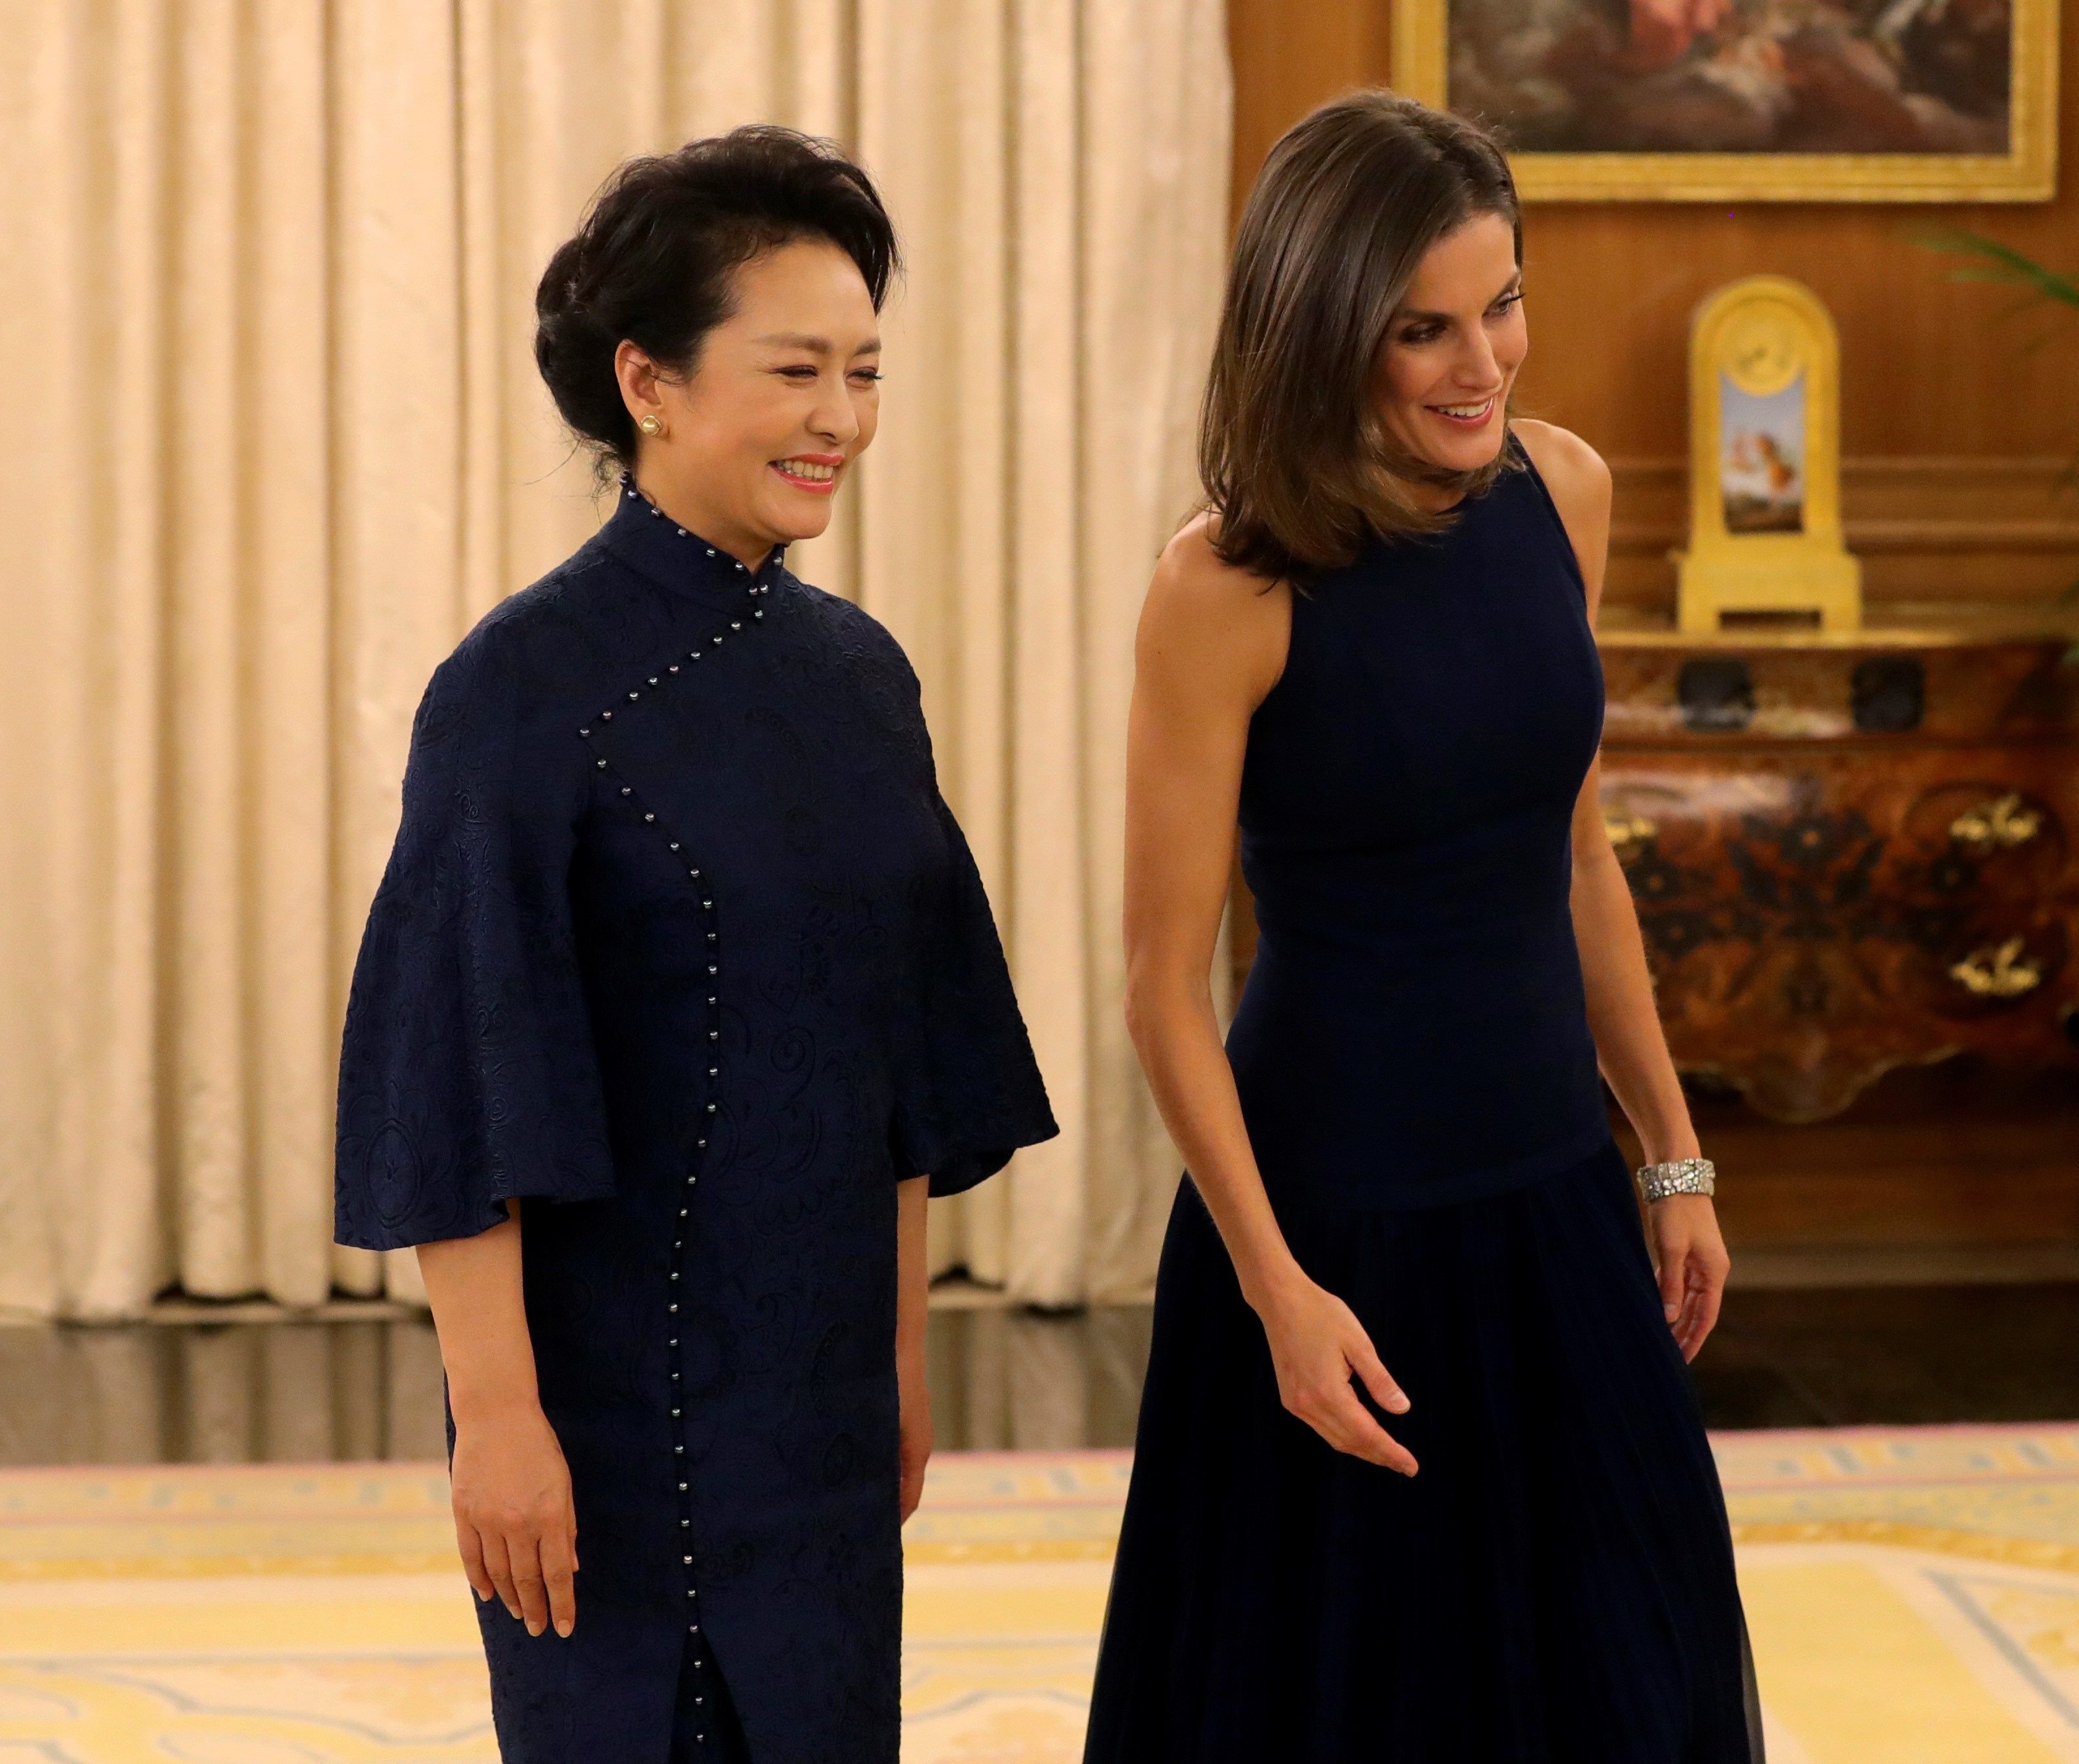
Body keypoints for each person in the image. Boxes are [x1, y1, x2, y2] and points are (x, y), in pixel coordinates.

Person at [333, 126, 1056, 1764]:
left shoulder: (862, 676)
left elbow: (898, 1070)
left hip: (819, 1393)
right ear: (646, 380)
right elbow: (457, 1084)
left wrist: (899, 1358)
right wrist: (499, 1421)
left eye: (865, 371)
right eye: (796, 369)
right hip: (601, 1406)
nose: (843, 420)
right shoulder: (515, 688)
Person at [1083, 93, 1764, 1763]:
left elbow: (1576, 853)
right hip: (1339, 1225)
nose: (1485, 364)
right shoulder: (1224, 588)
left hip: (1552, 1187)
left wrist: (1668, 1155)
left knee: (1628, 1669)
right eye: (1424, 330)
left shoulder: (1568, 493)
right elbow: (1162, 986)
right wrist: (1273, 1289)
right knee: (1354, 1708)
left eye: (1503, 304)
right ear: (1325, 332)